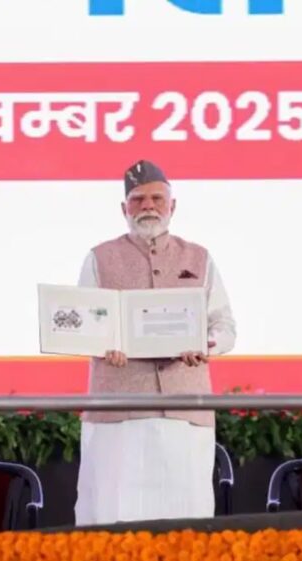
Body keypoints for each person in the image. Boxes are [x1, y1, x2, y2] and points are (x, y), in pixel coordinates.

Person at [74, 160, 236, 525]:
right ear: (123, 208)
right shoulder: (99, 257)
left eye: (157, 199)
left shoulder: (200, 257)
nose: (148, 206)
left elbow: (225, 325)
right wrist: (104, 344)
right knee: (114, 515)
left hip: (184, 410)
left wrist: (206, 345)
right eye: (138, 199)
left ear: (173, 206)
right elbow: (84, 324)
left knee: (185, 517)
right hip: (118, 409)